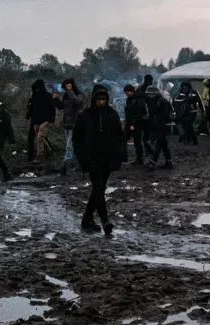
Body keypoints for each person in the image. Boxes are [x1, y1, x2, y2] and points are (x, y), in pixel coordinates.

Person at [72, 84, 123, 236]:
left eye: (104, 99)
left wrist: (119, 155)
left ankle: (86, 219)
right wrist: (82, 157)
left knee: (98, 189)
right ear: (94, 99)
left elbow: (119, 136)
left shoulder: (112, 114)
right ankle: (105, 220)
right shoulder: (84, 115)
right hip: (91, 159)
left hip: (107, 158)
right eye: (99, 99)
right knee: (99, 187)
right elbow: (77, 139)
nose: (101, 102)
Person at [58, 78, 86, 176]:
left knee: (69, 146)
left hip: (76, 123)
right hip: (67, 124)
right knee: (72, 145)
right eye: (66, 86)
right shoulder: (66, 95)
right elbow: (62, 107)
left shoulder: (79, 95)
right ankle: (79, 165)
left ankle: (64, 166)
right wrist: (55, 100)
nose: (67, 88)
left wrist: (70, 91)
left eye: (69, 85)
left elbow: (77, 102)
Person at [25, 79, 57, 163]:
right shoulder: (34, 96)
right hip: (36, 120)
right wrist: (27, 115)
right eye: (35, 89)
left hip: (45, 120)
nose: (37, 90)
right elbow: (31, 108)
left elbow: (52, 109)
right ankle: (49, 151)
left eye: (38, 88)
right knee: (40, 138)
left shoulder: (48, 96)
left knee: (39, 137)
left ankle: (40, 157)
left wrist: (52, 119)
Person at [145, 86, 174, 168]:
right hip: (160, 125)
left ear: (154, 94)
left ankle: (153, 162)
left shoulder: (161, 102)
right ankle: (169, 162)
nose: (149, 96)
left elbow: (163, 116)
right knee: (163, 144)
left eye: (150, 94)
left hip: (162, 126)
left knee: (159, 144)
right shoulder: (157, 101)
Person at [123, 83, 148, 165]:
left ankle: (139, 159)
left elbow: (139, 113)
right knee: (124, 140)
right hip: (130, 123)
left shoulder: (138, 100)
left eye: (127, 92)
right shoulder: (130, 99)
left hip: (136, 124)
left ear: (131, 91)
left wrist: (133, 124)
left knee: (137, 142)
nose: (126, 94)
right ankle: (124, 157)